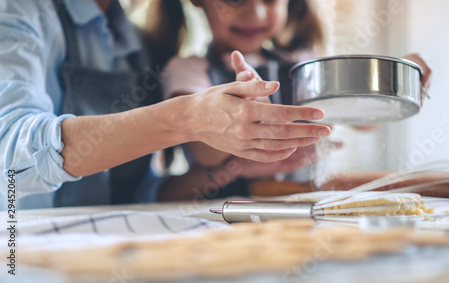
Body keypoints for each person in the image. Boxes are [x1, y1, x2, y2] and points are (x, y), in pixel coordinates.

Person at [0, 0, 331, 209]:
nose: (255, 11)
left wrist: (230, 169)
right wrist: (185, 117)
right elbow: (10, 155)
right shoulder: (21, 13)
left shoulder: (139, 44)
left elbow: (140, 194)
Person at [158, 0, 433, 200]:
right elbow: (207, 154)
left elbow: (364, 119)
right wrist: (243, 113)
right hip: (221, 214)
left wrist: (392, 82)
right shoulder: (188, 71)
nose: (255, 12)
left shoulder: (305, 66)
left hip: (307, 208)